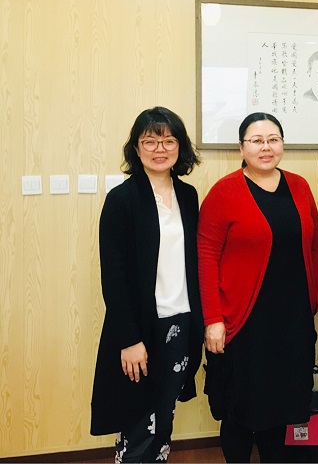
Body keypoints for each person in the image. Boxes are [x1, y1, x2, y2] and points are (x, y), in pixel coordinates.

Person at [198, 112, 318, 463]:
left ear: (282, 144)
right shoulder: (224, 192)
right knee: (239, 408)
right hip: (243, 321)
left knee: (281, 405)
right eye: (257, 141)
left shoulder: (299, 186)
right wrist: (212, 319)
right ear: (241, 147)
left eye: (273, 139)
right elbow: (206, 257)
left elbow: (315, 246)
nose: (266, 147)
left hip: (291, 321)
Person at [90, 106, 204, 463]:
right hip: (141, 328)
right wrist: (129, 339)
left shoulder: (188, 196)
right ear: (136, 148)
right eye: (150, 141)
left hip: (181, 320)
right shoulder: (122, 200)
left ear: (180, 147)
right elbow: (114, 276)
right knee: (139, 417)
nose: (160, 149)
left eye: (168, 141)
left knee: (164, 413)